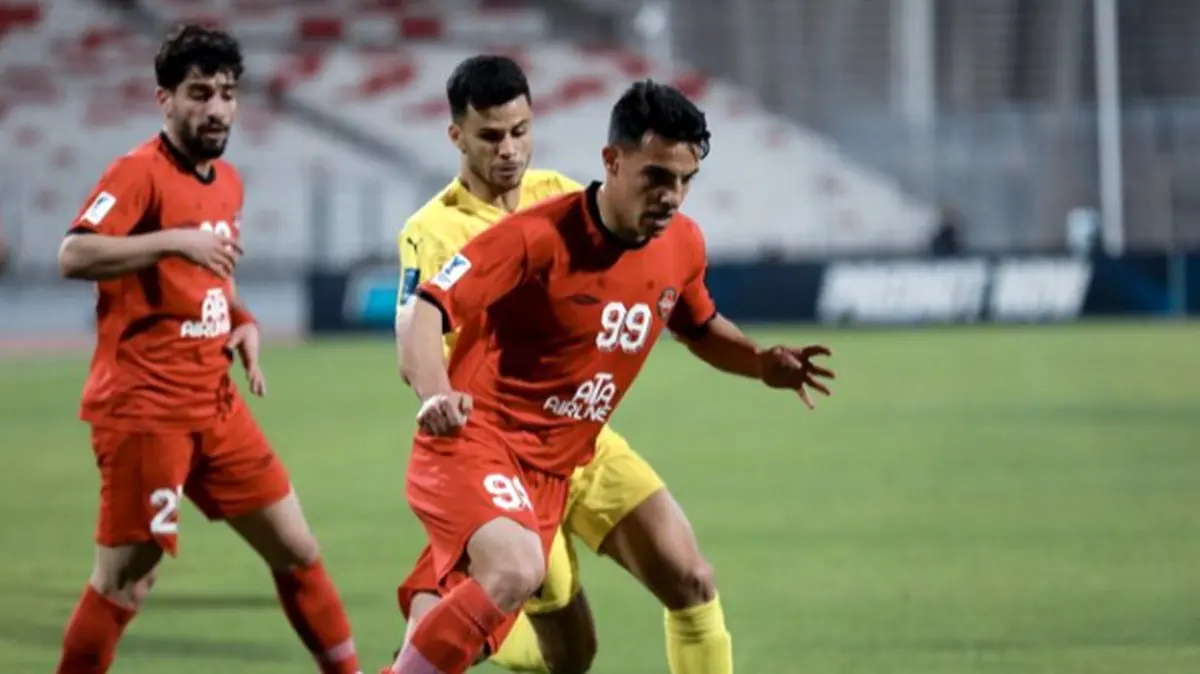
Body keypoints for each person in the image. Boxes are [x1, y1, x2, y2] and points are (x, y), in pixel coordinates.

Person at [385, 78, 835, 674]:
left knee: (680, 586)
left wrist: (757, 362)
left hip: (578, 447)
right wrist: (436, 394)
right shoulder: (530, 235)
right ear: (613, 161)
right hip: (486, 444)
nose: (672, 197)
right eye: (657, 178)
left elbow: (699, 325)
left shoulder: (680, 243)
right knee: (517, 581)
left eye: (685, 181)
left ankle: (434, 640)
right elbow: (424, 312)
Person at [54, 25, 361, 674]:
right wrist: (171, 241)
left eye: (227, 93)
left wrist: (240, 320)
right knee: (126, 581)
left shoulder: (228, 183)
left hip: (215, 405)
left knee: (297, 549)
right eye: (199, 93)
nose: (217, 108)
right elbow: (74, 254)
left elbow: (213, 275)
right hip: (146, 410)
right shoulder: (138, 173)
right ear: (164, 99)